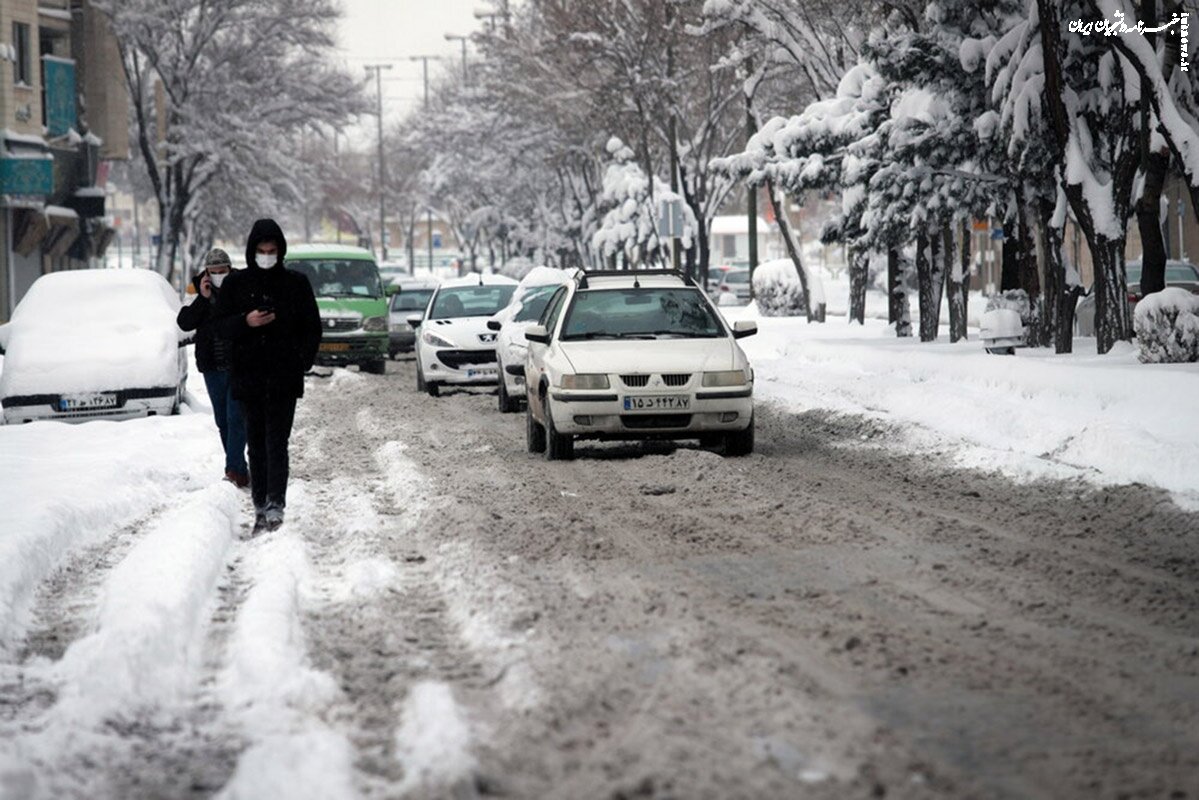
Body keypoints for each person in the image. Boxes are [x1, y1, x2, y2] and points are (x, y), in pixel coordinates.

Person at [214, 219, 321, 533]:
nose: (266, 256)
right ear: (251, 251)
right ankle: (260, 503)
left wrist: (302, 359)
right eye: (261, 251)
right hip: (248, 377)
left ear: (280, 251)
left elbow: (312, 327)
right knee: (256, 443)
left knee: (278, 442)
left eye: (271, 251)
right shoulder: (236, 285)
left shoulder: (295, 284)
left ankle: (276, 504)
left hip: (283, 377)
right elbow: (220, 326)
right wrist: (246, 321)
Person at [176, 248, 249, 488]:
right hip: (212, 365)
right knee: (223, 420)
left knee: (236, 416)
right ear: (207, 272)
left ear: (230, 269)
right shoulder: (196, 288)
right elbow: (185, 322)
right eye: (214, 272)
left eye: (222, 271)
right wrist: (203, 298)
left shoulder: (242, 284)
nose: (218, 275)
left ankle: (232, 470)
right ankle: (238, 466)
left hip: (239, 363)